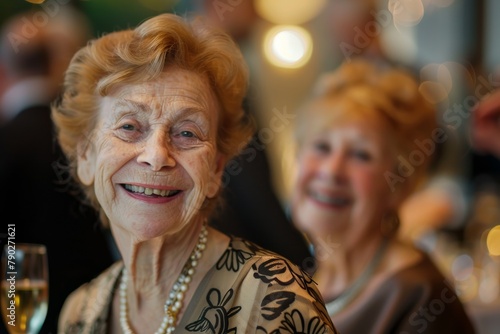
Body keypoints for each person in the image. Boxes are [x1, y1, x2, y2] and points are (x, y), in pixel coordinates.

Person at [53, 13, 337, 333]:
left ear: (216, 168)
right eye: (129, 126)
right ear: (86, 156)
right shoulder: (80, 312)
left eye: (187, 133)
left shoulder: (276, 303)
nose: (157, 156)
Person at [289, 59, 476, 333]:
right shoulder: (299, 280)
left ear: (399, 185)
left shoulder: (420, 300)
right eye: (321, 146)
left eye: (360, 154)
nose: (331, 171)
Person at [0, 8, 114, 334]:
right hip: (89, 313)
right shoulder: (87, 141)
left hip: (16, 313)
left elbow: (11, 244)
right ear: (54, 66)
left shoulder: (6, 141)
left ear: (4, 71)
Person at [195, 0, 312, 270]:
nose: (260, 13)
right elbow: (252, 186)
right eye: (252, 2)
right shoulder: (219, 72)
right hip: (241, 261)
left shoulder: (201, 64)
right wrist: (301, 261)